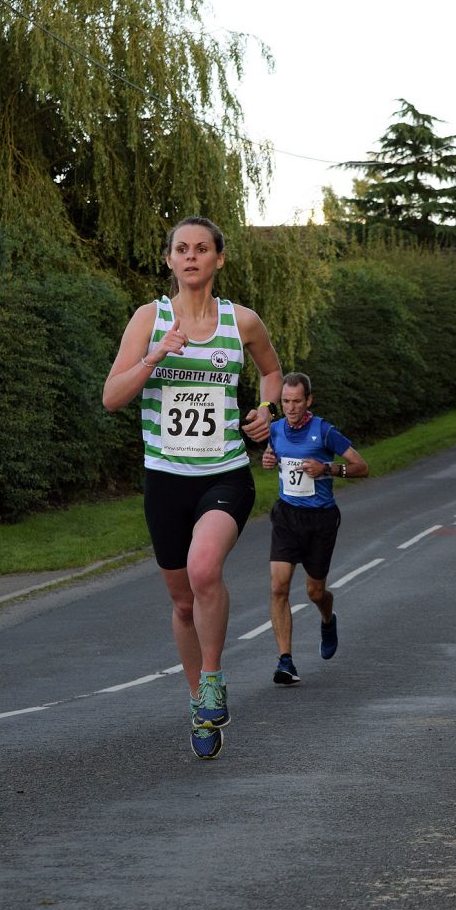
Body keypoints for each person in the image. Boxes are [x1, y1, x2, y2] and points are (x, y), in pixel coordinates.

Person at [103, 216, 281, 759]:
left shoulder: (241, 321)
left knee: (205, 568)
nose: (191, 257)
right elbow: (112, 397)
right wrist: (155, 356)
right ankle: (199, 704)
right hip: (165, 479)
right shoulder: (149, 318)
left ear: (218, 259)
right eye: (181, 249)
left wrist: (266, 410)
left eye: (202, 249)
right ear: (169, 260)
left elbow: (272, 373)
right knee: (183, 604)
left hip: (224, 473)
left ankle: (212, 677)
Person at [262, 372, 368, 684]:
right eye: (285, 401)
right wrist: (268, 459)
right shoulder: (275, 429)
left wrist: (328, 468)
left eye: (296, 401)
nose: (290, 408)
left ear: (308, 400)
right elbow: (274, 454)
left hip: (320, 519)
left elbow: (362, 467)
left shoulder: (324, 431)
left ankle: (327, 618)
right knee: (278, 587)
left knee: (315, 592)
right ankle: (285, 661)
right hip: (286, 516)